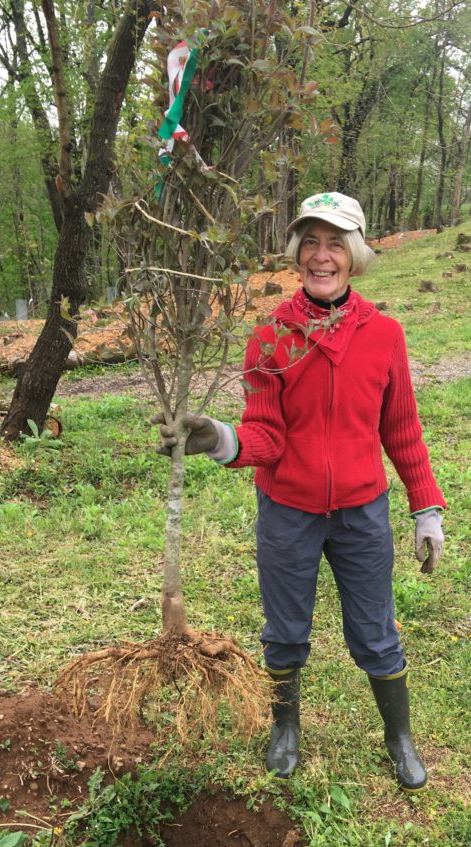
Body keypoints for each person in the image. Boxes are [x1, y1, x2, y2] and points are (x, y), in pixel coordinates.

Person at [158, 191, 446, 792]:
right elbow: (266, 436)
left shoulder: (385, 335)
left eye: (335, 243)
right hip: (287, 511)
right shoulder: (270, 337)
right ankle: (284, 727)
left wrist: (426, 510)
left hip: (362, 512)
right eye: (310, 242)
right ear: (295, 252)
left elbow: (401, 429)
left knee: (375, 631)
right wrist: (220, 438)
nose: (321, 256)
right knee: (285, 627)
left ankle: (399, 738)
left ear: (356, 254)